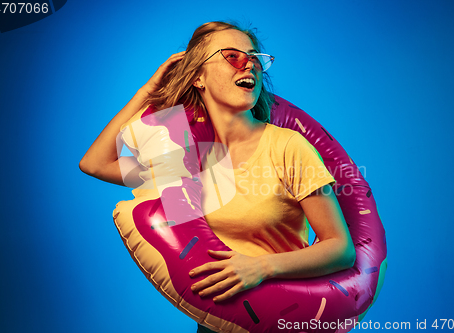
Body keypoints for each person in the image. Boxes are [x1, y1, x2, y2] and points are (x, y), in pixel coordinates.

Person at [80, 21, 356, 333]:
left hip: (283, 319)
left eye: (254, 58)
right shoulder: (183, 159)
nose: (249, 64)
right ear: (198, 76)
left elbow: (340, 248)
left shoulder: (287, 146)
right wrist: (148, 92)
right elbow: (95, 164)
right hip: (218, 323)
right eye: (233, 56)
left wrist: (262, 266)